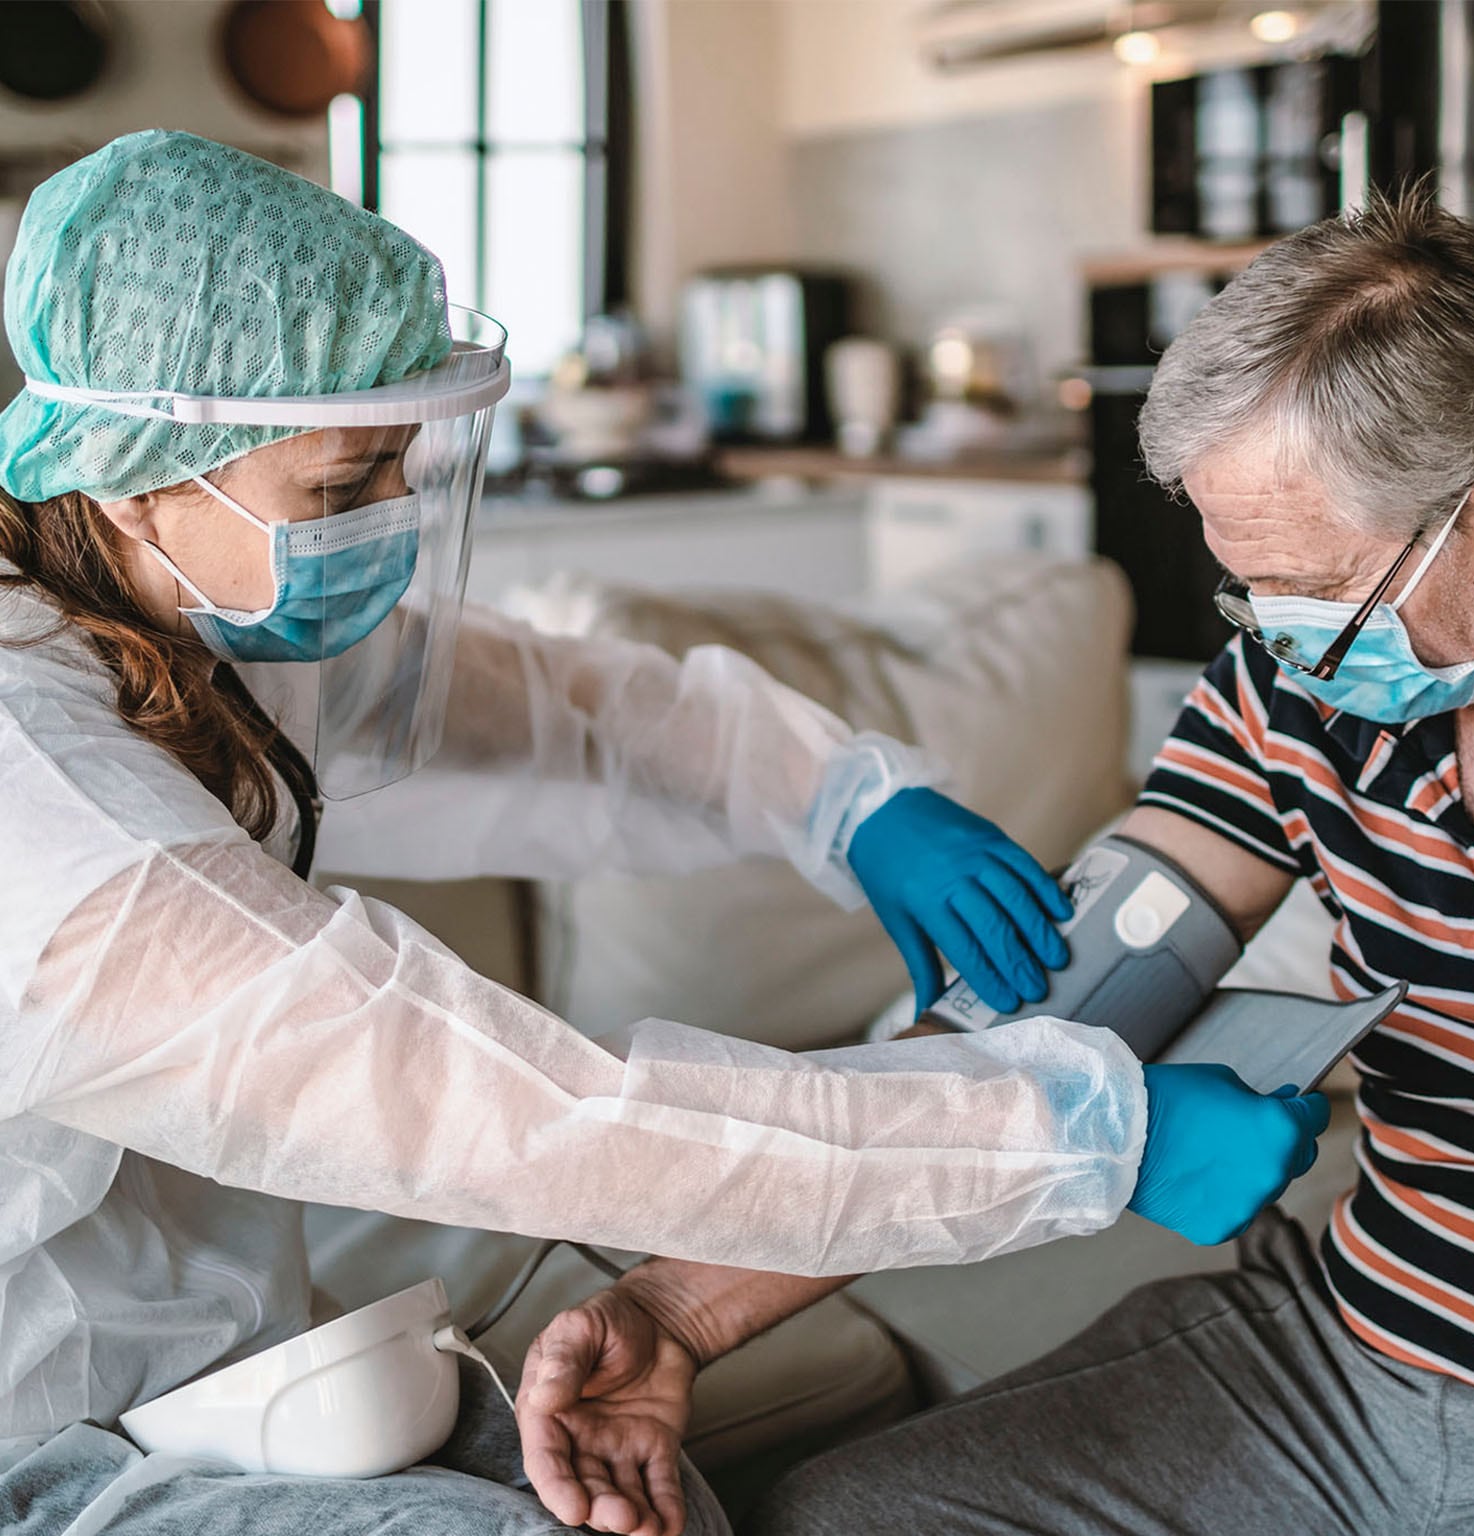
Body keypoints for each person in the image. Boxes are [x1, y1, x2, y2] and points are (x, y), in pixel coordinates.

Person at [0, 131, 1323, 1534]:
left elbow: (566, 714)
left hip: (229, 1381)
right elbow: (489, 1102)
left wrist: (851, 801)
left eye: (398, 468)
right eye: (338, 489)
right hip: (44, 1447)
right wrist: (1071, 1142)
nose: (386, 520)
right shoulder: (46, 795)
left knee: (635, 1496)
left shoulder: (178, 631)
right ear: (143, 478)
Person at [516, 190, 1474, 1536]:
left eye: (1319, 590)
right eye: (1256, 596)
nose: (1287, 645)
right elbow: (1077, 994)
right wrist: (679, 1313)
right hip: (1345, 1352)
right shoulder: (1306, 690)